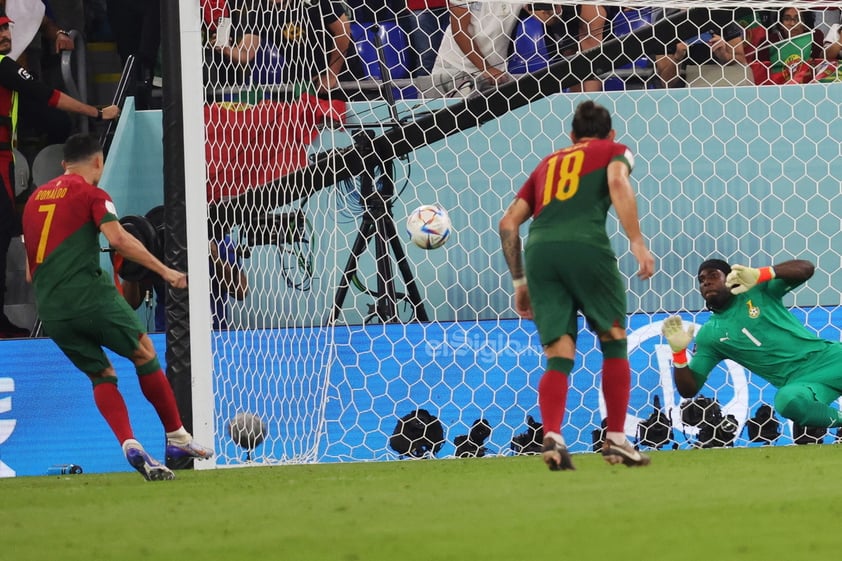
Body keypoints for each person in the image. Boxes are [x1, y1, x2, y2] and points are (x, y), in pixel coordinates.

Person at [21, 133, 213, 481]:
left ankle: (129, 442)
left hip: (51, 309)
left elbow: (29, 272)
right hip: (89, 297)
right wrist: (166, 271)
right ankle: (176, 437)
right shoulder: (94, 195)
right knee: (143, 351)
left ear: (63, 164)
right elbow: (119, 239)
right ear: (98, 162)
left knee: (101, 374)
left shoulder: (33, 201)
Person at [498, 100, 655, 471]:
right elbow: (617, 181)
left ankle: (552, 433)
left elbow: (508, 223)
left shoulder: (547, 164)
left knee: (559, 353)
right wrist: (636, 241)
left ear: (571, 136)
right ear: (611, 133)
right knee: (613, 338)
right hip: (586, 246)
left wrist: (520, 280)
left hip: (539, 253)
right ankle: (616, 439)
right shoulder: (615, 151)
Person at [0, 9, 120, 338]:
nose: (6, 36)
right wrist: (96, 112)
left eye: (7, 29)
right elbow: (49, 96)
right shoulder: (4, 68)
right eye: (0, 31)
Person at [662, 258, 842, 435]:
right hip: (801, 382)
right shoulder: (710, 336)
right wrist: (678, 353)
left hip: (831, 359)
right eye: (701, 280)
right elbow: (689, 390)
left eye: (713, 276)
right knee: (787, 401)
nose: (706, 282)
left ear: (730, 278)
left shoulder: (757, 291)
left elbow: (806, 269)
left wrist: (760, 274)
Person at [430, 1, 525, 96]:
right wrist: (486, 68)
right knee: (447, 109)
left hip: (494, 74)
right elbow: (459, 31)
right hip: (455, 66)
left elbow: (537, 9)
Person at [655, 8, 753, 88]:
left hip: (719, 83)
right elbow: (666, 82)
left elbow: (741, 63)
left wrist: (725, 56)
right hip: (681, 91)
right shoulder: (665, 19)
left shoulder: (721, 14)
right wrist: (677, 58)